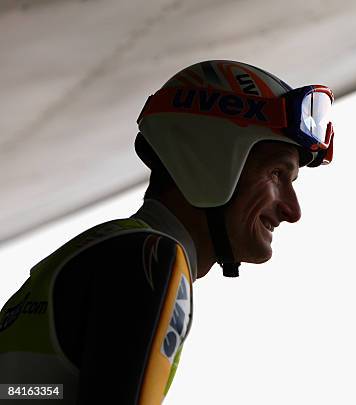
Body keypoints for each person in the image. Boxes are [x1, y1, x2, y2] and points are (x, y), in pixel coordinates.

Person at [0, 60, 335, 404]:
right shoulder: (151, 258)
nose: (292, 211)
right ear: (212, 159)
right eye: (277, 174)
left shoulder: (96, 251)